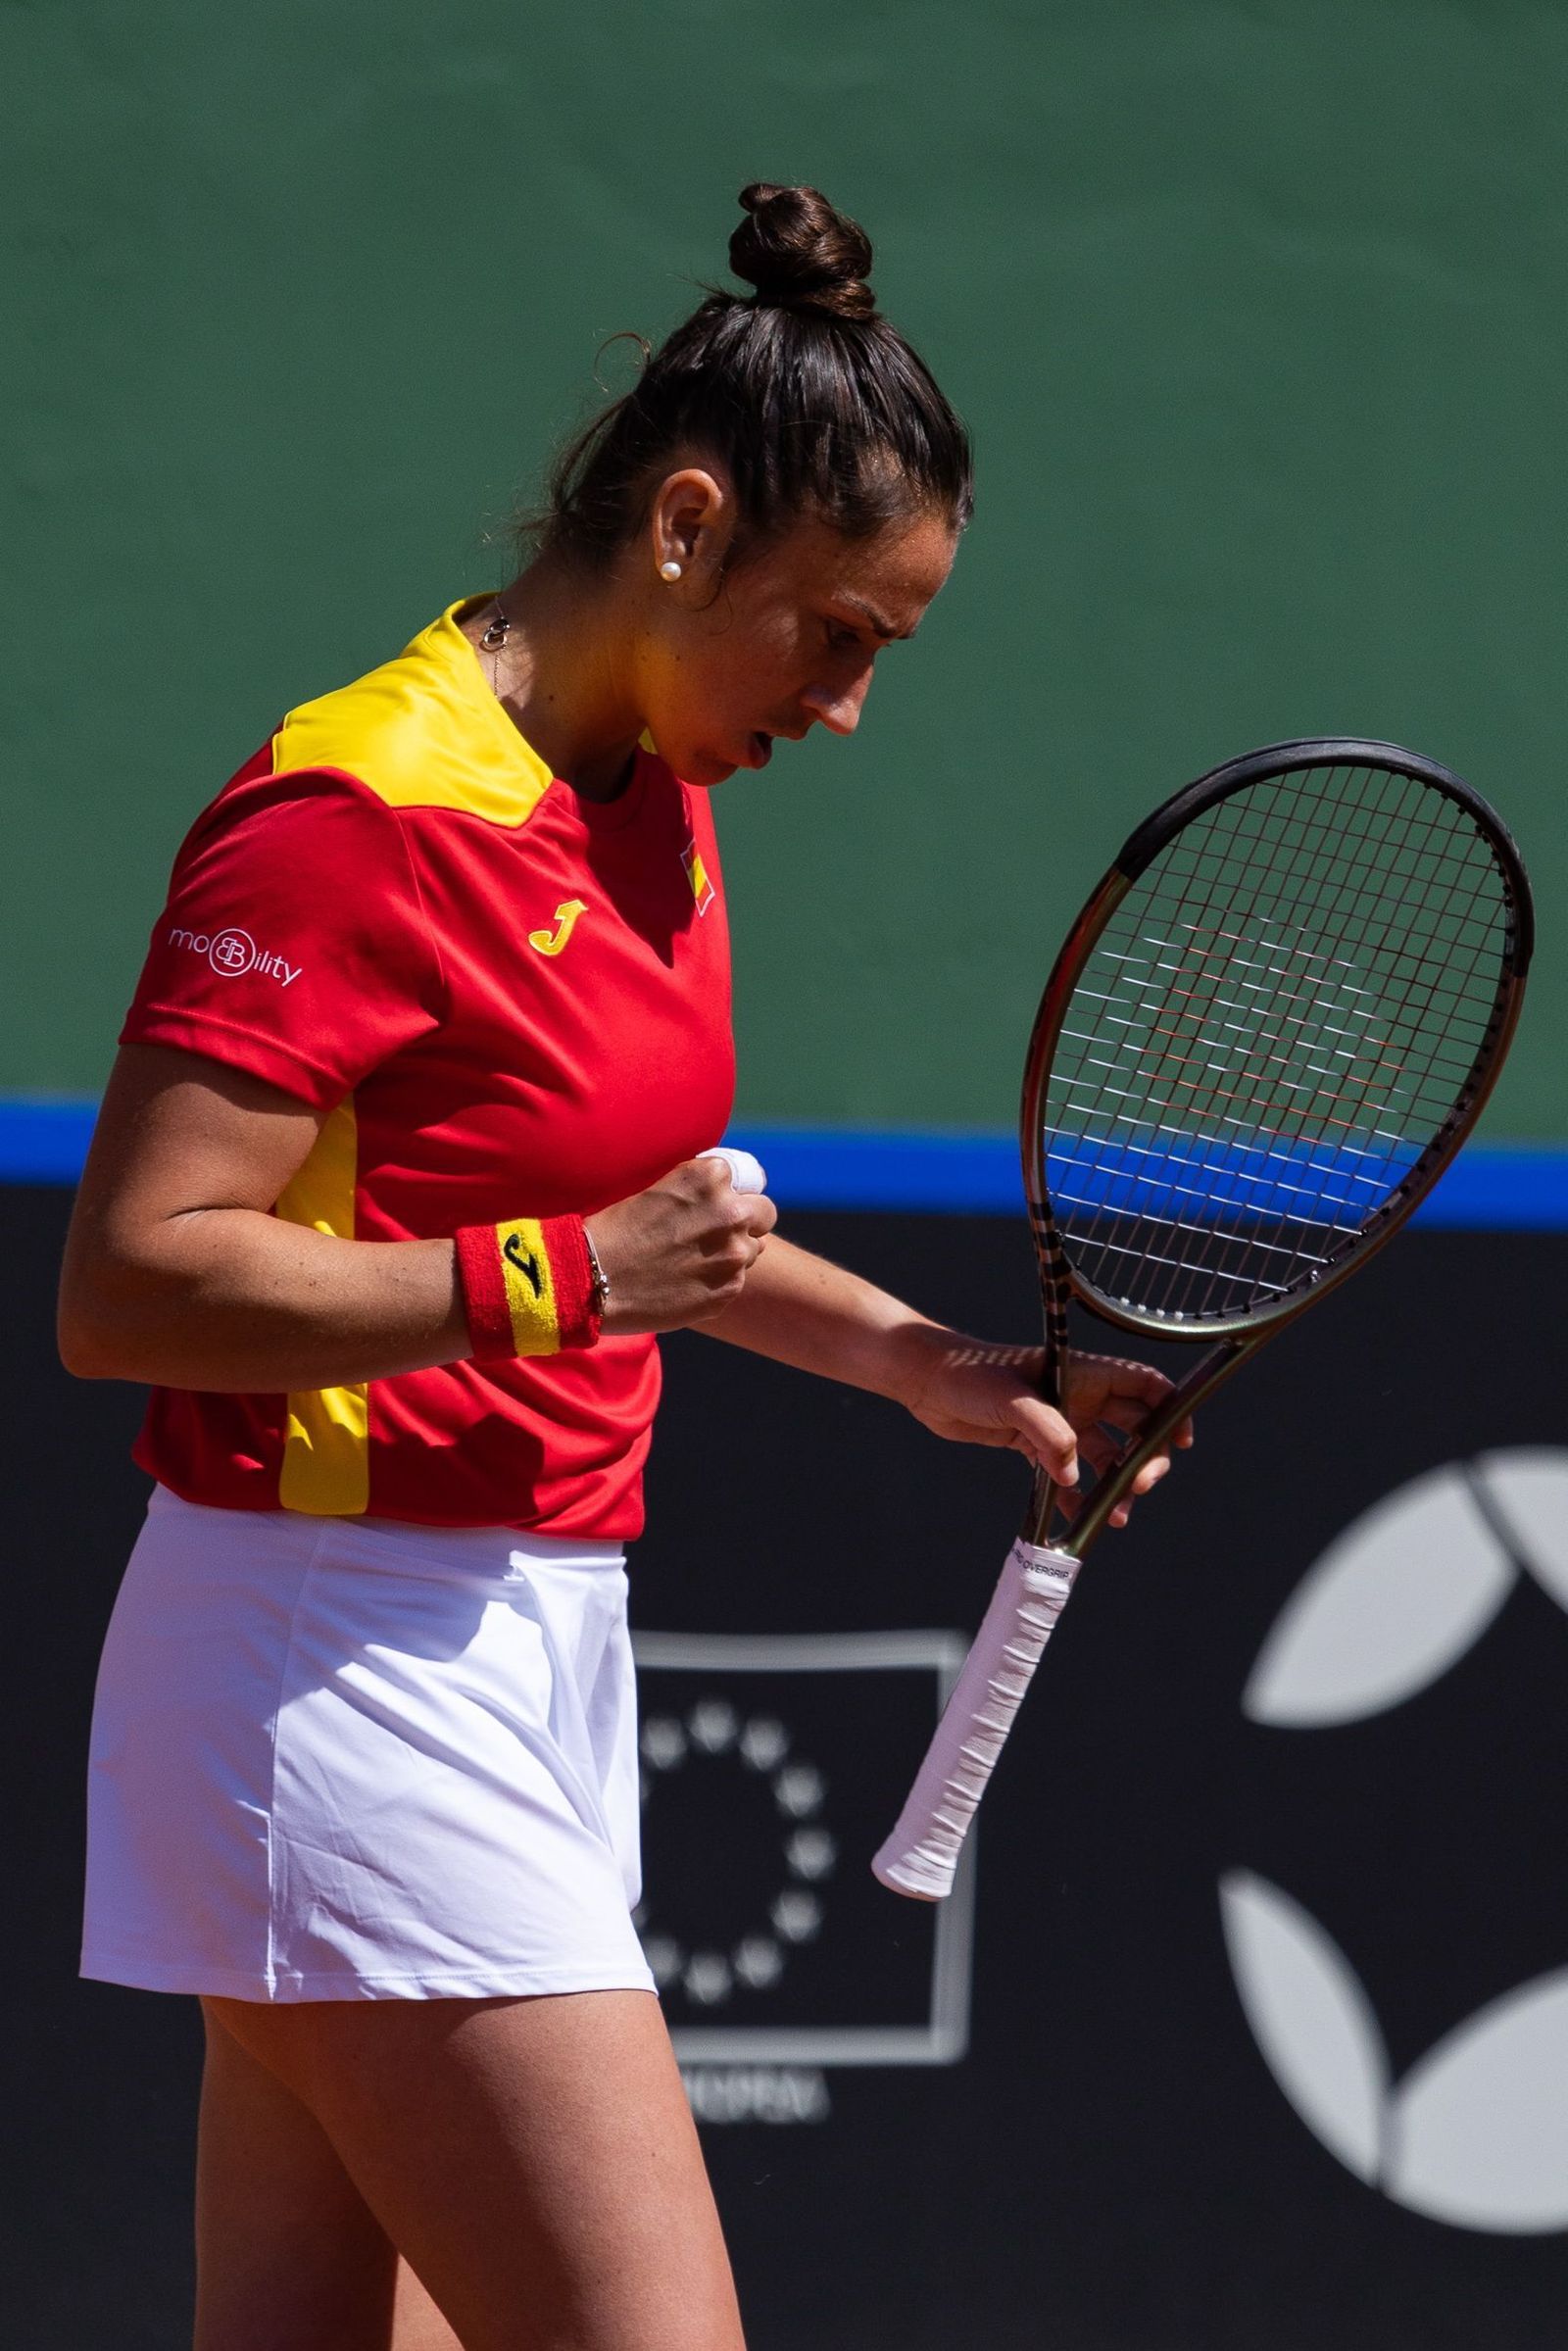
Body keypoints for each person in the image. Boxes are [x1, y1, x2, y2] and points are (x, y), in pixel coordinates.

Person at [59, 182, 1187, 2351]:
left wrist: (931, 1368)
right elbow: (129, 1284)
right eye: (838, 635)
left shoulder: (646, 797)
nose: (848, 706)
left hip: (520, 1642)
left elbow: (654, 1223)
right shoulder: (354, 813)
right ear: (684, 529)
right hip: (335, 1654)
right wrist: (558, 1278)